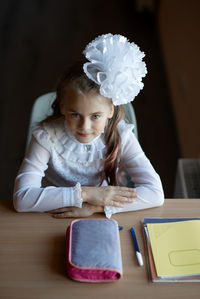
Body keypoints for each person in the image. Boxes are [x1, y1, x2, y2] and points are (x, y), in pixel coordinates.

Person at [13, 33, 164, 219]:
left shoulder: (121, 135)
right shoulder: (46, 136)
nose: (85, 126)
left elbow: (155, 193)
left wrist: (94, 208)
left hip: (98, 213)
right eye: (75, 114)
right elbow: (22, 199)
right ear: (62, 107)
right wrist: (85, 194)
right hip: (52, 211)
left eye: (95, 116)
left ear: (110, 110)